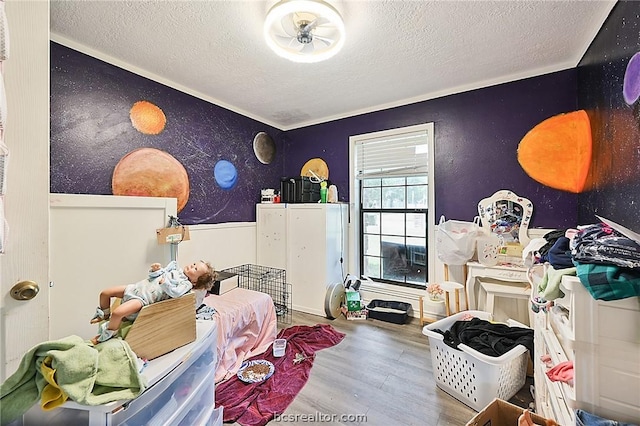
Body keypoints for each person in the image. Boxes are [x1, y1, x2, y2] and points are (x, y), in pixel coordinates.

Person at [89, 260, 217, 344]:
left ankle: (108, 335)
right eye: (194, 264)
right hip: (136, 288)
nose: (192, 266)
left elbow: (175, 293)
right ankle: (104, 315)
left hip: (142, 299)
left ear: (195, 282)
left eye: (195, 270)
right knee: (105, 293)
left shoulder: (185, 284)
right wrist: (155, 270)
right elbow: (152, 277)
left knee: (117, 313)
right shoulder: (174, 270)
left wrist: (166, 283)